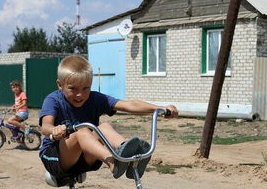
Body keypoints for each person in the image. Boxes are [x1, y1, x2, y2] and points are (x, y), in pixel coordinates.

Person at [39, 55, 178, 181]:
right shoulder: (53, 100)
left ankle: (126, 153)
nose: (80, 95)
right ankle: (113, 162)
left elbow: (129, 105)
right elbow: (45, 127)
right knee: (82, 131)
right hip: (57, 159)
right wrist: (55, 130)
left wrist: (160, 108)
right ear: (60, 85)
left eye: (85, 88)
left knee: (104, 126)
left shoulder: (94, 99)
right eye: (73, 89)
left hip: (88, 157)